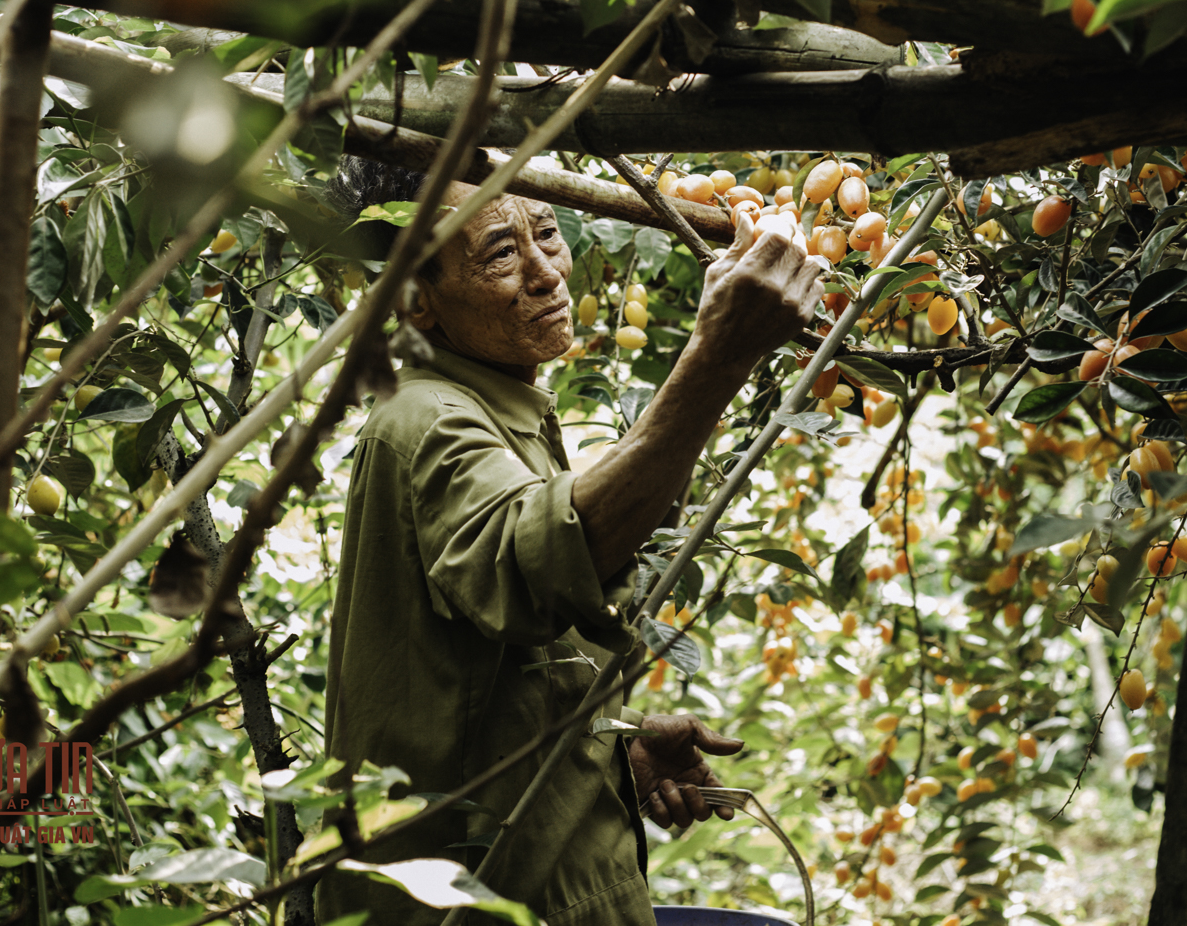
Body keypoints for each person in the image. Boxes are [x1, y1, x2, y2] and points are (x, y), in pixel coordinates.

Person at [316, 161, 822, 926]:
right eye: (500, 253)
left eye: (546, 232)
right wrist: (717, 354)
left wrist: (615, 751)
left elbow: (494, 672)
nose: (548, 272)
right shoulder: (424, 420)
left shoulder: (500, 405)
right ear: (417, 302)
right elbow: (541, 565)